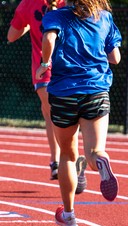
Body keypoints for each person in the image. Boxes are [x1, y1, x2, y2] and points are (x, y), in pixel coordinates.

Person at [36, 0, 122, 226]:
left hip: (63, 92)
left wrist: (45, 63)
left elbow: (49, 38)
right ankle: (100, 161)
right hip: (95, 90)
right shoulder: (104, 17)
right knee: (94, 151)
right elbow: (116, 57)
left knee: (67, 155)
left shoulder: (56, 16)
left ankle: (69, 214)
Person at [7, 0, 88, 194]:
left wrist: (28, 26)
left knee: (53, 116)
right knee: (65, 115)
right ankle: (68, 159)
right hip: (70, 69)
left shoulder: (27, 4)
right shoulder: (71, 3)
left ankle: (57, 160)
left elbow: (11, 36)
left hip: (43, 70)